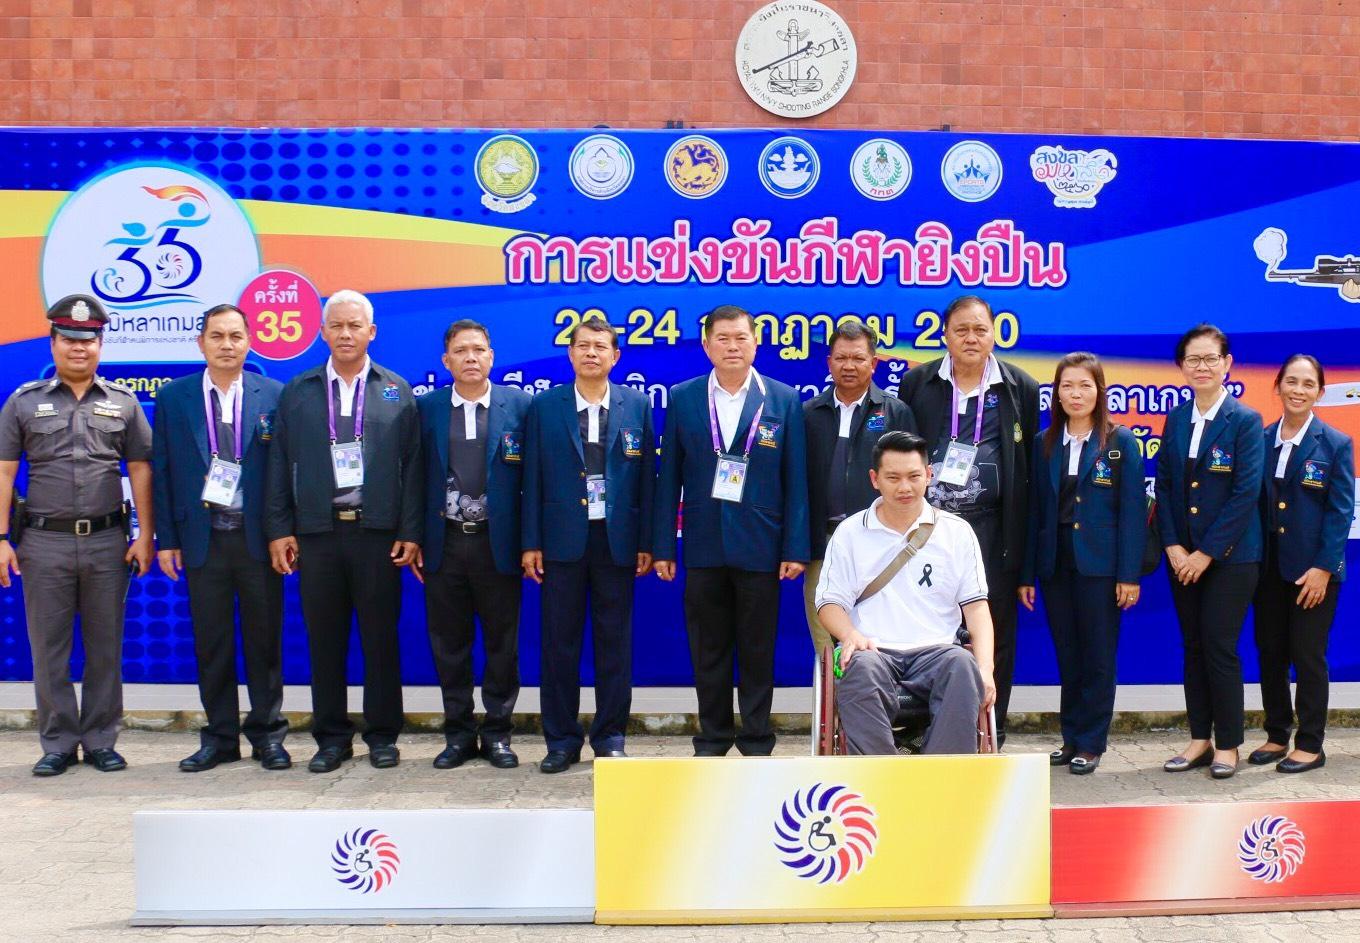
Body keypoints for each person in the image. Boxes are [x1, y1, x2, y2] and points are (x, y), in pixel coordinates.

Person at [264, 289, 422, 774]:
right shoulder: (300, 390)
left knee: (380, 640)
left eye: (355, 326)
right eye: (337, 325)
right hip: (318, 536)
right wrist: (280, 529)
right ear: (322, 332)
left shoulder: (395, 389)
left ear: (371, 332)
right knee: (325, 642)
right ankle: (331, 739)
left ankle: (383, 736)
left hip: (377, 536)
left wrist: (410, 530)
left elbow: (415, 467)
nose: (346, 334)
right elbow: (278, 464)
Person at [0, 295, 154, 776]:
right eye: (69, 339)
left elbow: (141, 470)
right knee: (49, 648)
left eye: (88, 340)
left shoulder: (123, 403)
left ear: (100, 345)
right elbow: (4, 472)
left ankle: (102, 739)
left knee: (105, 647)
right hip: (43, 543)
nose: (79, 348)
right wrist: (0, 539)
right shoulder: (24, 402)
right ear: (53, 343)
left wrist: (145, 534)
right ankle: (59, 742)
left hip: (108, 542)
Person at [653, 304, 810, 757]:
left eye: (741, 337)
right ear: (706, 345)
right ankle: (713, 737)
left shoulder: (782, 399)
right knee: (709, 650)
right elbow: (669, 478)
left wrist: (795, 547)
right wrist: (663, 547)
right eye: (722, 338)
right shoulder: (684, 397)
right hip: (703, 544)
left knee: (758, 650)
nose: (732, 346)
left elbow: (796, 480)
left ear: (755, 343)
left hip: (762, 545)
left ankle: (757, 739)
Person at [152, 304, 289, 772]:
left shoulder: (274, 395)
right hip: (203, 539)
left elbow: (284, 473)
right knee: (212, 644)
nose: (226, 345)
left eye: (235, 336)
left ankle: (268, 736)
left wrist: (283, 532)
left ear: (249, 342)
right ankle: (220, 738)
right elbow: (163, 471)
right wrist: (167, 540)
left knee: (264, 643)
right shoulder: (175, 398)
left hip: (257, 542)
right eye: (217, 336)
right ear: (201, 343)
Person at [897, 295, 1039, 746]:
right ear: (945, 335)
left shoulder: (1019, 387)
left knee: (993, 630)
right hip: (928, 532)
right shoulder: (919, 383)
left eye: (980, 329)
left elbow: (1029, 469)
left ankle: (991, 729)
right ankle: (925, 728)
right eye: (962, 330)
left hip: (993, 533)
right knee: (928, 626)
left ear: (995, 333)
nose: (971, 338)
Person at [522, 316, 655, 772]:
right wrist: (531, 541)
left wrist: (646, 541)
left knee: (614, 644)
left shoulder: (636, 405)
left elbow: (648, 481)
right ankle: (560, 741)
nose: (591, 353)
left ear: (615, 356)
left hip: (616, 544)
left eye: (600, 346)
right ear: (571, 353)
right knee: (559, 646)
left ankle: (610, 735)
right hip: (561, 544)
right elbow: (531, 478)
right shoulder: (546, 406)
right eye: (583, 346)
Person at [816, 431, 996, 755]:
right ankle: (880, 777)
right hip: (874, 651)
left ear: (929, 475)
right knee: (859, 669)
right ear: (875, 479)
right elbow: (829, 603)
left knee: (963, 666)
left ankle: (943, 776)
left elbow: (977, 609)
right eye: (893, 478)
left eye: (914, 477)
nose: (905, 487)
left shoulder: (957, 532)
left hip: (938, 651)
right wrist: (850, 635)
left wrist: (986, 669)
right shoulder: (850, 533)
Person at [1018, 353, 1147, 775]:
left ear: (1099, 391)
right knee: (1068, 653)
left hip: (1101, 567)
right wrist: (1027, 573)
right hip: (1055, 563)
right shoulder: (1044, 442)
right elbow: (1035, 512)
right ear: (1056, 393)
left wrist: (1128, 575)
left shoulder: (1120, 442)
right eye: (1067, 386)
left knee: (1098, 656)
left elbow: (1133, 513)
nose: (1076, 394)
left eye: (1085, 385)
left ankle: (1091, 742)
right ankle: (1071, 736)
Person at [412, 319, 530, 770]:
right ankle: (458, 735)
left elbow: (535, 480)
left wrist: (530, 542)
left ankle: (498, 733)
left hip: (497, 545)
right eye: (461, 351)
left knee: (503, 644)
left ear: (491, 356)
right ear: (446, 361)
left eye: (478, 350)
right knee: (450, 645)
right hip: (444, 543)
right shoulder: (427, 409)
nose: (471, 358)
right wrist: (413, 537)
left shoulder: (519, 406)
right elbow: (413, 477)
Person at [1155, 324, 1263, 780]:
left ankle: (1228, 744)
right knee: (1194, 647)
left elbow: (1245, 494)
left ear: (1227, 364)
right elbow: (1164, 485)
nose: (1202, 367)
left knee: (1220, 648)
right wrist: (1174, 545)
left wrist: (1205, 554)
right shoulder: (1178, 418)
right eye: (1193, 359)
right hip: (1182, 558)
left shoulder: (1245, 421)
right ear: (1182, 367)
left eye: (1210, 359)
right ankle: (1199, 739)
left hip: (1232, 559)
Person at [1248, 354, 1354, 774]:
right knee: (1270, 652)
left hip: (1314, 573)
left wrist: (1324, 568)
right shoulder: (1260, 439)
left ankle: (1311, 743)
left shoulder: (1335, 443)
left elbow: (1340, 511)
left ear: (1320, 393)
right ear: (1278, 386)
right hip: (1267, 569)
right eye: (1291, 381)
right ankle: (1277, 734)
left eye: (1308, 384)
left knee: (1308, 656)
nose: (1298, 390)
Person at [802, 320, 916, 655]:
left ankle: (871, 689)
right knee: (824, 633)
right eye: (841, 358)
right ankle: (830, 689)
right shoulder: (810, 413)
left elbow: (911, 480)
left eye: (858, 358)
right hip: (822, 542)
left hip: (880, 542)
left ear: (874, 363)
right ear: (829, 362)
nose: (849, 366)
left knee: (876, 632)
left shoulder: (895, 412)